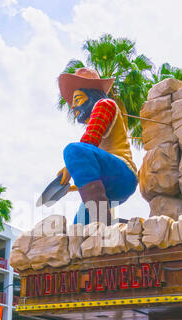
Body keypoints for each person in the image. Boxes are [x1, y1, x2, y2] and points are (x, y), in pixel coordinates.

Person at [58, 67, 138, 226]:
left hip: (123, 174)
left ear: (91, 94)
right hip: (108, 187)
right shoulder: (92, 151)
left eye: (78, 99)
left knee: (73, 150)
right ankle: (107, 227)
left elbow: (90, 138)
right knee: (79, 227)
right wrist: (73, 186)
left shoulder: (105, 104)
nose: (73, 106)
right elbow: (92, 174)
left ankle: (103, 226)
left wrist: (69, 167)